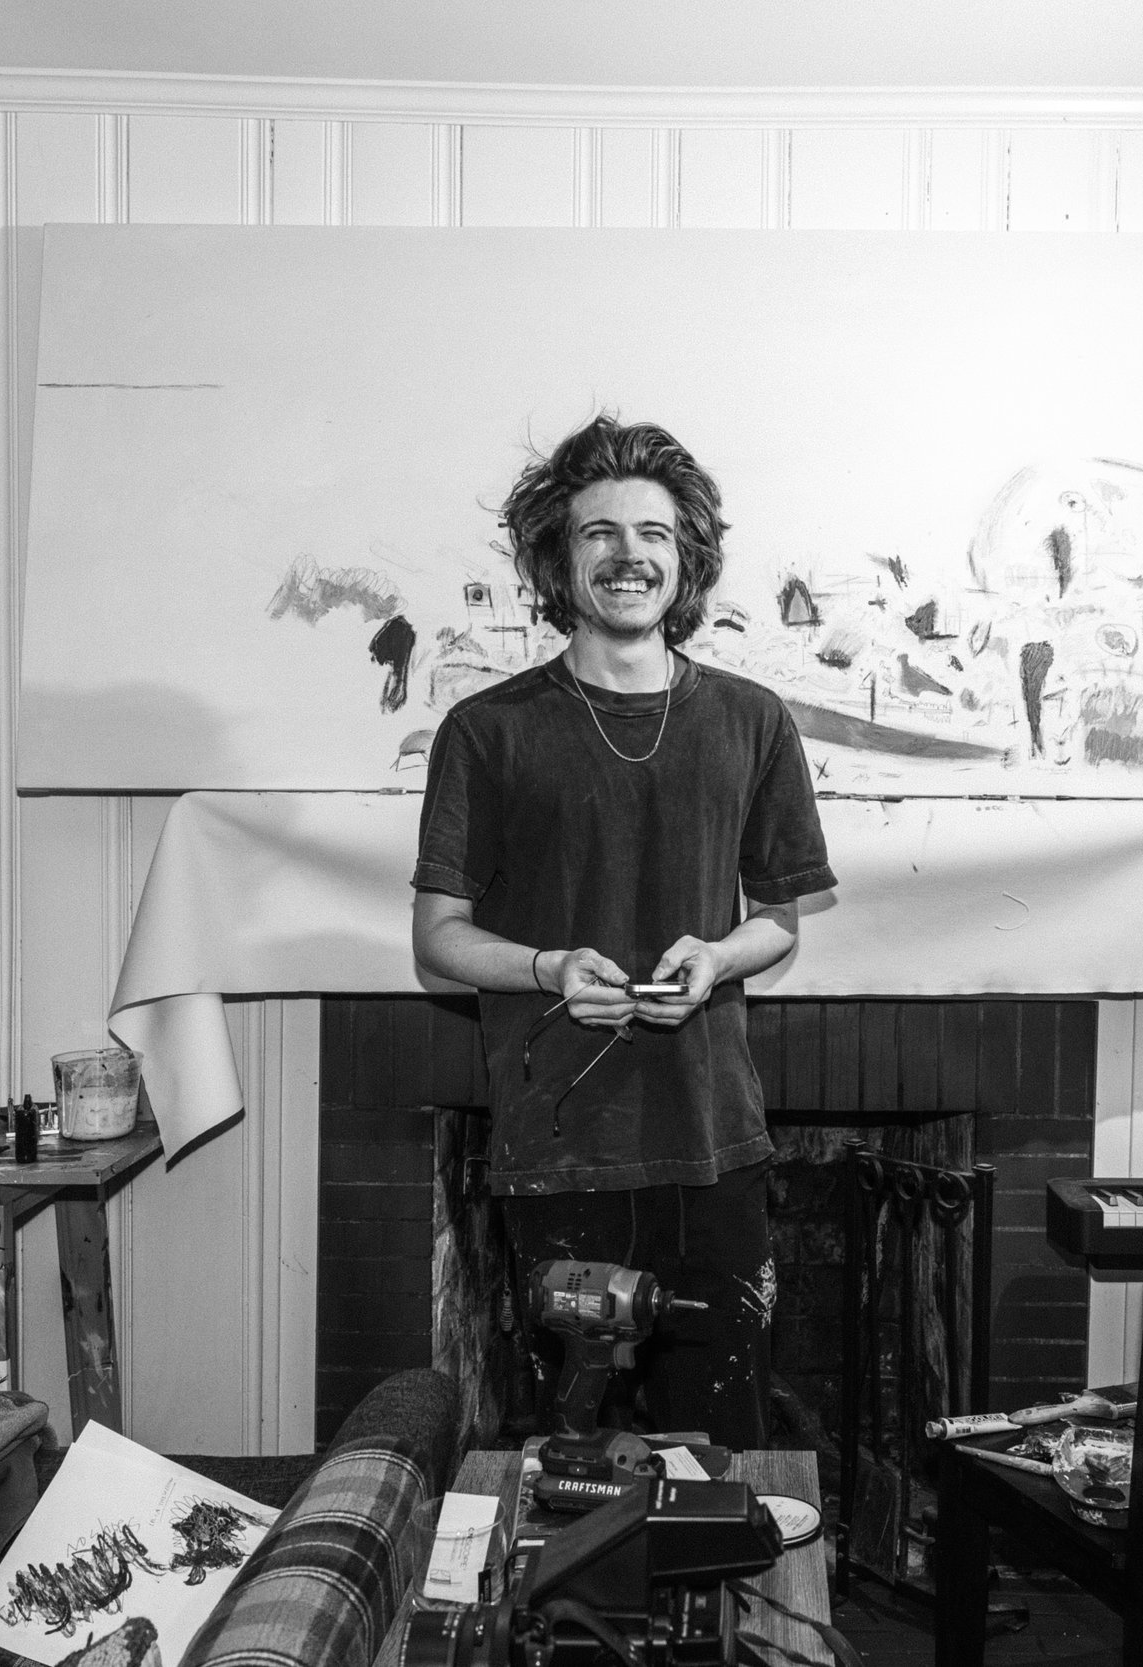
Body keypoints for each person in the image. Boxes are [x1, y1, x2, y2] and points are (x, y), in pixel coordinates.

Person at [409, 415, 835, 1449]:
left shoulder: (753, 720)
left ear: (686, 557)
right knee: (569, 1451)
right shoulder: (487, 731)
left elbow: (777, 922)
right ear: (558, 557)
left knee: (721, 1441)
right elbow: (439, 938)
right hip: (559, 1145)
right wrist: (548, 965)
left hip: (712, 1141)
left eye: (652, 532)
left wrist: (718, 956)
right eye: (598, 531)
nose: (627, 554)